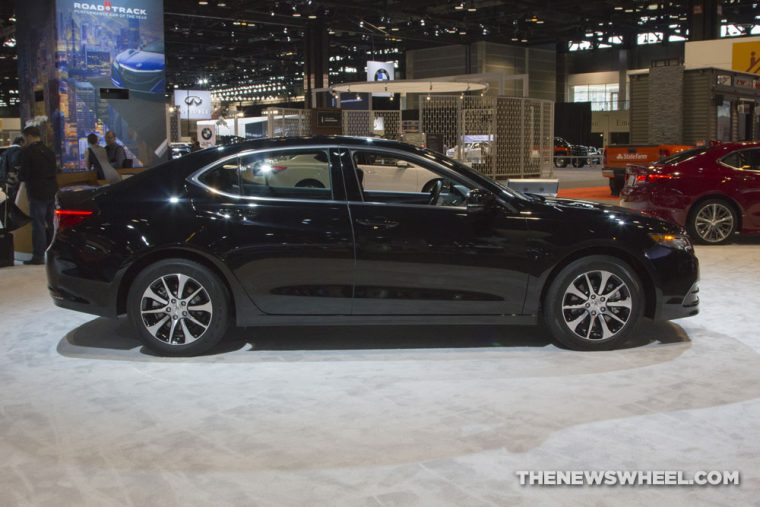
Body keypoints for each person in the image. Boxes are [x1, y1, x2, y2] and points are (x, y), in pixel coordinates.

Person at [18, 126, 58, 265]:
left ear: (28, 136)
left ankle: (38, 256)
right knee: (52, 224)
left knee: (38, 225)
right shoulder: (49, 151)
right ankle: (54, 253)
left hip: (36, 192)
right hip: (51, 191)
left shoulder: (28, 152)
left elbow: (24, 175)